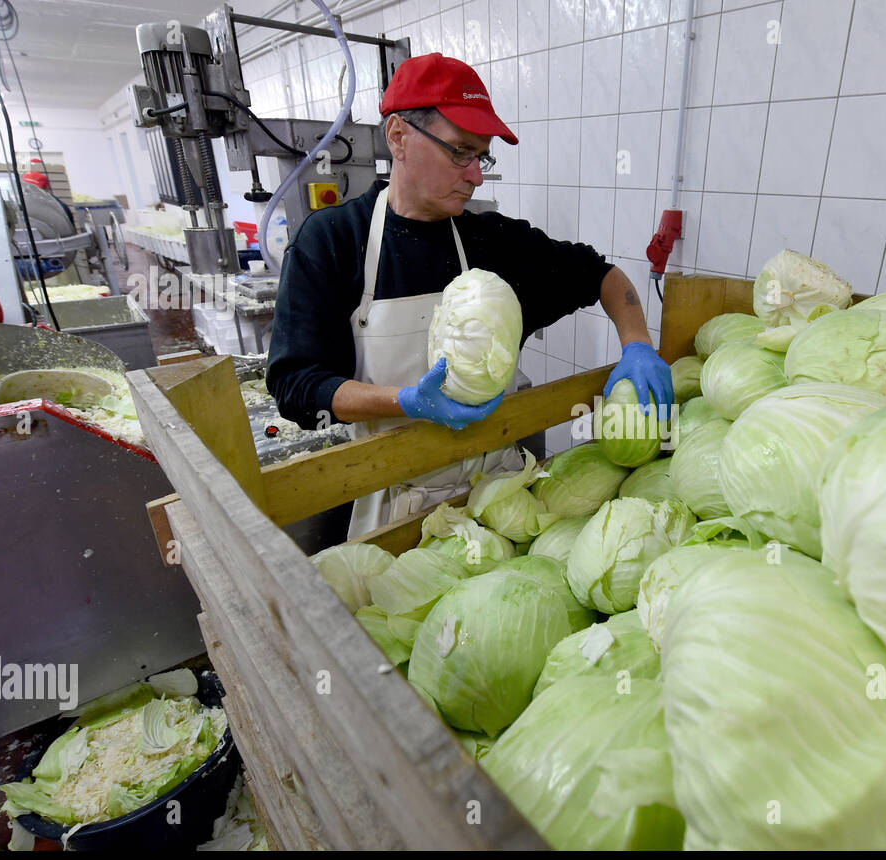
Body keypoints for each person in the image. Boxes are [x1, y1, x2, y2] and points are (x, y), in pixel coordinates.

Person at [266, 52, 673, 537]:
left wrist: (638, 344)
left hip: (498, 500)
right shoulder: (332, 240)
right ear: (398, 137)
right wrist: (406, 400)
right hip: (394, 504)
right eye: (460, 152)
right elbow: (295, 385)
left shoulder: (493, 241)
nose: (476, 175)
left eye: (482, 156)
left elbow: (603, 276)